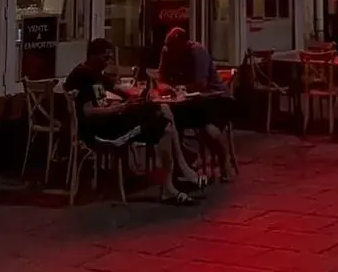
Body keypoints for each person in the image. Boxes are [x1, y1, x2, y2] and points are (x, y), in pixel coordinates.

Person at [65, 38, 205, 204]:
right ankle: (179, 177)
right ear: (93, 56)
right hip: (101, 132)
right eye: (105, 58)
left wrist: (140, 95)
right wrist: (119, 108)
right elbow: (88, 112)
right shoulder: (82, 75)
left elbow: (120, 91)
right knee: (163, 119)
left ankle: (176, 179)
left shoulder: (95, 73)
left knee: (164, 116)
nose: (108, 62)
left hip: (112, 122)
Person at [158, 28, 233, 181]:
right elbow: (161, 78)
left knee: (208, 127)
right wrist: (165, 87)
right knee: (170, 120)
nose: (169, 50)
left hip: (215, 98)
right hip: (188, 102)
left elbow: (201, 83)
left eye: (172, 47)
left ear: (183, 44)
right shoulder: (166, 52)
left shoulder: (197, 52)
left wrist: (181, 88)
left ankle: (224, 161)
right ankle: (183, 162)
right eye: (167, 46)